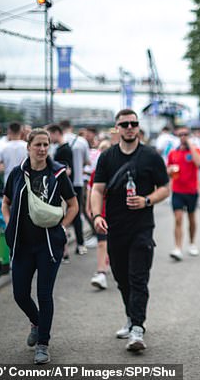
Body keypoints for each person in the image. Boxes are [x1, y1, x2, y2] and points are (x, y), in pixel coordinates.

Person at [91, 109, 170, 352]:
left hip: (142, 229)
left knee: (138, 278)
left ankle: (137, 328)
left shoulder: (151, 156)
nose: (129, 127)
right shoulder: (107, 157)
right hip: (115, 228)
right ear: (117, 128)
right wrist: (96, 216)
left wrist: (147, 200)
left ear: (138, 127)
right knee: (122, 278)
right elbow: (97, 189)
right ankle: (130, 317)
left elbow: (165, 188)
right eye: (124, 124)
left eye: (133, 123)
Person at [1, 129, 79, 364]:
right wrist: (9, 225)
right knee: (20, 294)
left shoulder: (57, 174)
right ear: (28, 147)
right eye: (38, 145)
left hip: (48, 245)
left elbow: (73, 205)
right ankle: (36, 322)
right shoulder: (17, 173)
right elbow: (5, 203)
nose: (43, 149)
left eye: (46, 144)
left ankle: (43, 343)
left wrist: (63, 228)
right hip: (22, 245)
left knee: (44, 294)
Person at [167, 126, 200, 261]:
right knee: (178, 219)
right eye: (181, 134)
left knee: (191, 218)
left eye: (185, 134)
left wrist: (190, 145)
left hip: (192, 191)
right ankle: (177, 248)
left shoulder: (195, 150)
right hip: (177, 190)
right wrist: (170, 170)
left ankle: (192, 243)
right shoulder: (173, 152)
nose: (183, 136)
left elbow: (199, 162)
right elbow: (168, 169)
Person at [60, 120, 91, 256]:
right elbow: (87, 161)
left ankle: (62, 249)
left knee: (60, 214)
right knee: (76, 213)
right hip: (77, 182)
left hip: (60, 183)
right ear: (71, 127)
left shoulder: (57, 142)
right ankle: (80, 244)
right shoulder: (82, 141)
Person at [86, 140, 112, 290]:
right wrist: (89, 208)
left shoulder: (118, 170)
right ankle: (101, 272)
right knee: (102, 242)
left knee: (114, 244)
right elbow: (91, 190)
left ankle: (109, 262)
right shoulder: (96, 173)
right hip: (101, 213)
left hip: (116, 214)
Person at [0, 121, 28, 186]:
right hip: (24, 183)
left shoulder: (2, 147)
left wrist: (2, 169)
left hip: (8, 183)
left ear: (9, 131)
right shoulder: (28, 147)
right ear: (21, 131)